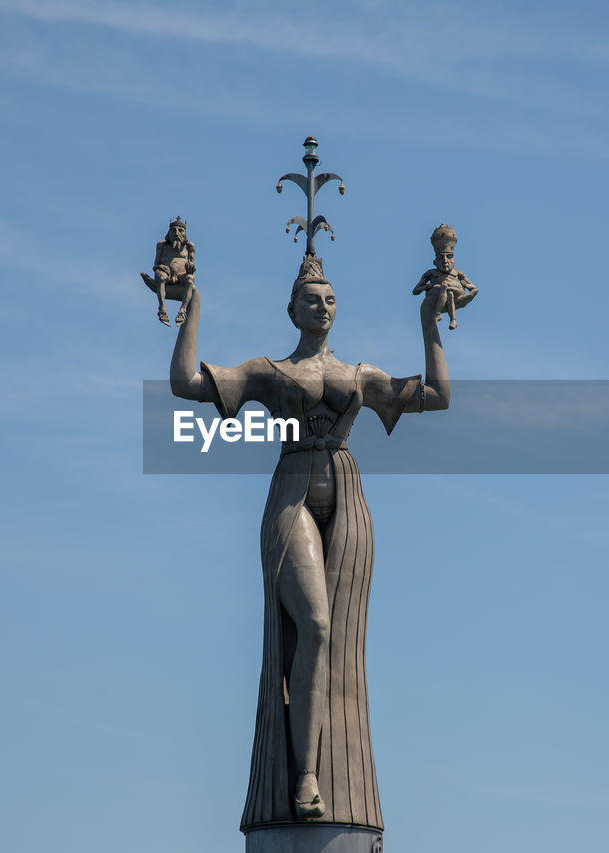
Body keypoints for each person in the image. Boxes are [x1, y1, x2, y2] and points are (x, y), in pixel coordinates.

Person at [169, 256, 451, 829]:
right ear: (291, 309)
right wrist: (190, 306)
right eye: (310, 299)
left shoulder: (361, 376)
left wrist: (429, 324)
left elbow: (439, 395)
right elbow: (185, 385)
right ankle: (304, 776)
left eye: (329, 300)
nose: (321, 307)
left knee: (338, 640)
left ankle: (328, 768)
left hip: (346, 502)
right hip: (292, 492)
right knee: (314, 627)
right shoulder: (269, 371)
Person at [412, 223, 478, 330]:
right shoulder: (431, 273)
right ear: (435, 261)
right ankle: (442, 315)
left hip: (455, 295)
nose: (445, 261)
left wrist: (467, 287)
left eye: (449, 257)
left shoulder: (457, 273)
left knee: (450, 292)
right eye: (441, 257)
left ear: (453, 260)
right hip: (437, 296)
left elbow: (473, 288)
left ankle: (452, 319)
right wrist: (426, 287)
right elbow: (415, 291)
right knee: (446, 290)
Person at [145, 217, 196, 326]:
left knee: (190, 279)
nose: (177, 233)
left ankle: (182, 310)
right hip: (166, 274)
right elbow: (155, 265)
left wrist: (190, 267)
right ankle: (162, 309)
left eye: (180, 230)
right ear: (169, 232)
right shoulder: (162, 245)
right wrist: (161, 267)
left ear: (184, 233)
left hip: (181, 275)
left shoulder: (189, 246)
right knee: (161, 276)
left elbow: (192, 264)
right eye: (174, 230)